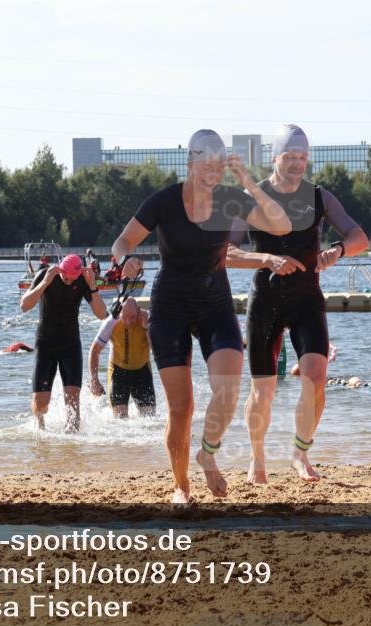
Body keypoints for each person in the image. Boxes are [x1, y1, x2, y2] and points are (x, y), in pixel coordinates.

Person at [112, 129, 291, 503]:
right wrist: (125, 258)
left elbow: (281, 225)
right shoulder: (163, 201)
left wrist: (247, 182)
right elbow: (122, 241)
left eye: (218, 166)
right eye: (205, 164)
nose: (212, 172)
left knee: (228, 390)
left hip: (215, 304)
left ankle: (207, 454)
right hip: (170, 308)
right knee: (182, 408)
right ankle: (181, 487)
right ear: (191, 163)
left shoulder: (230, 198)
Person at [227, 124, 368, 485]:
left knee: (316, 378)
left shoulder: (320, 197)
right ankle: (257, 460)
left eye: (303, 157)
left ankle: (300, 454)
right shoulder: (250, 196)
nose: (297, 164)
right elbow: (224, 252)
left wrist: (337, 250)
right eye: (290, 157)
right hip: (266, 302)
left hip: (307, 299)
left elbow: (359, 237)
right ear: (274, 157)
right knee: (263, 391)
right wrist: (267, 260)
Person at [20, 254, 107, 432]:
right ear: (60, 269)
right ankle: (40, 430)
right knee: (41, 404)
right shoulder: (47, 275)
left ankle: (71, 441)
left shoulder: (84, 280)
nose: (68, 282)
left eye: (71, 279)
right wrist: (45, 282)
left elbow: (101, 314)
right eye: (64, 278)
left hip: (70, 345)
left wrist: (92, 287)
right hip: (46, 345)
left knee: (73, 397)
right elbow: (24, 305)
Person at [89, 297, 155, 418]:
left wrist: (146, 328)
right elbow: (95, 350)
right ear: (120, 313)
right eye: (125, 318)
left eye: (133, 317)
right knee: (120, 420)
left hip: (142, 371)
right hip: (118, 372)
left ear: (139, 311)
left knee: (149, 419)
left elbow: (157, 350)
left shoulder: (149, 319)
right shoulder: (111, 322)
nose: (129, 321)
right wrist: (94, 378)